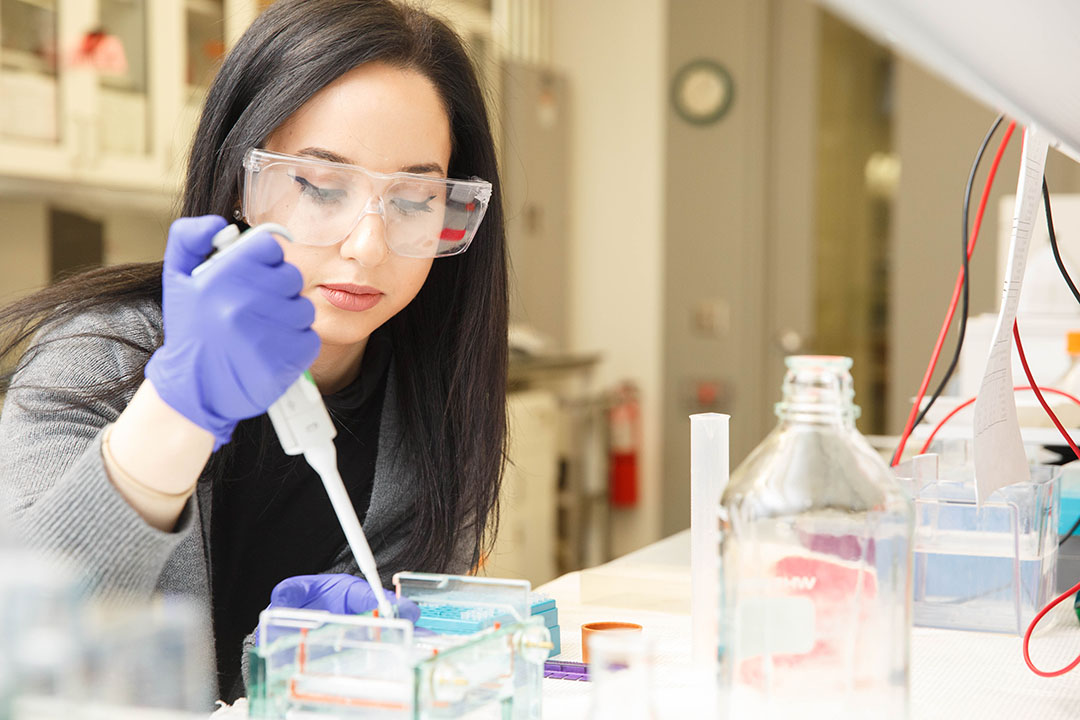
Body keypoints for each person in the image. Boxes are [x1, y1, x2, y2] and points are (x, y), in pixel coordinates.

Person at [0, 0, 507, 702]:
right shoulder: (96, 357)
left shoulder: (430, 411)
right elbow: (18, 650)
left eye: (415, 199)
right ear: (241, 180)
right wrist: (174, 416)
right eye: (321, 186)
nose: (368, 246)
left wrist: (297, 669)